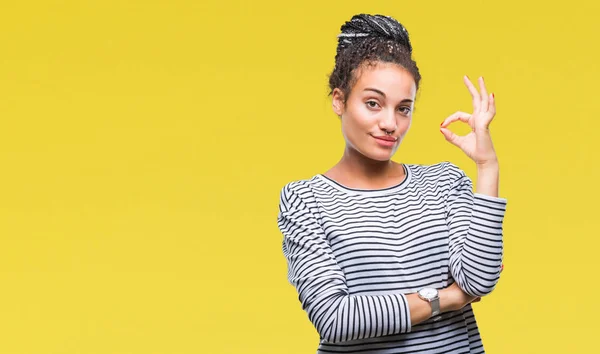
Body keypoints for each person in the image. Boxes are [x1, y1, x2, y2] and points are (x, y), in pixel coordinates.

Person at [276, 13, 507, 354]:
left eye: (404, 109)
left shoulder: (444, 182)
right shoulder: (305, 200)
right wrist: (447, 298)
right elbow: (336, 319)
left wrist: (487, 166)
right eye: (373, 103)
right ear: (339, 100)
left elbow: (479, 280)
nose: (390, 123)